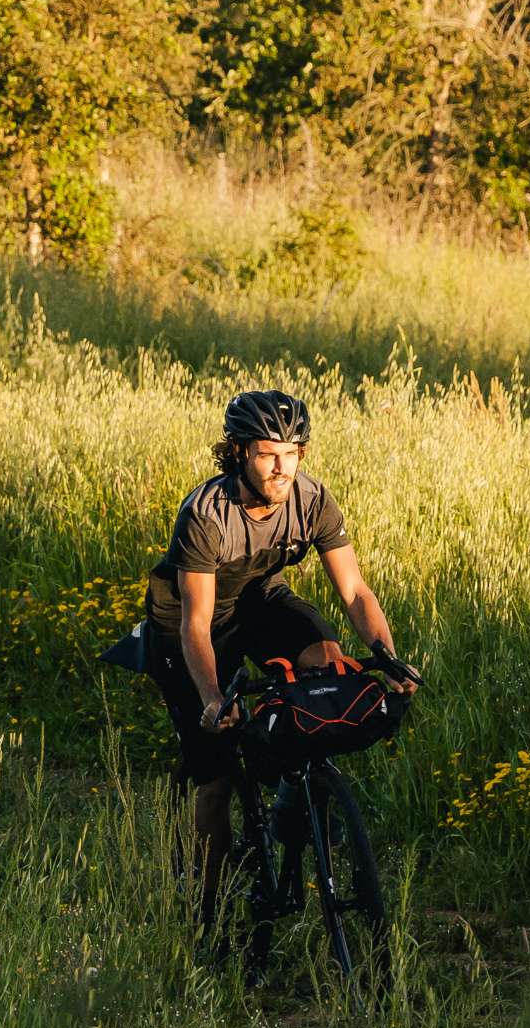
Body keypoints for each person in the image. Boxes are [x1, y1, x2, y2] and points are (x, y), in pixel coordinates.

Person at [137, 389, 416, 927]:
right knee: (215, 778)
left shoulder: (312, 500)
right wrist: (214, 697)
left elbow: (355, 593)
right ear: (239, 451)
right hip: (189, 622)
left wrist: (389, 658)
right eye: (268, 453)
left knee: (327, 657)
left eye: (292, 453)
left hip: (259, 599)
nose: (281, 466)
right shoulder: (206, 513)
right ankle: (203, 915)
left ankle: (297, 790)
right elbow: (197, 622)